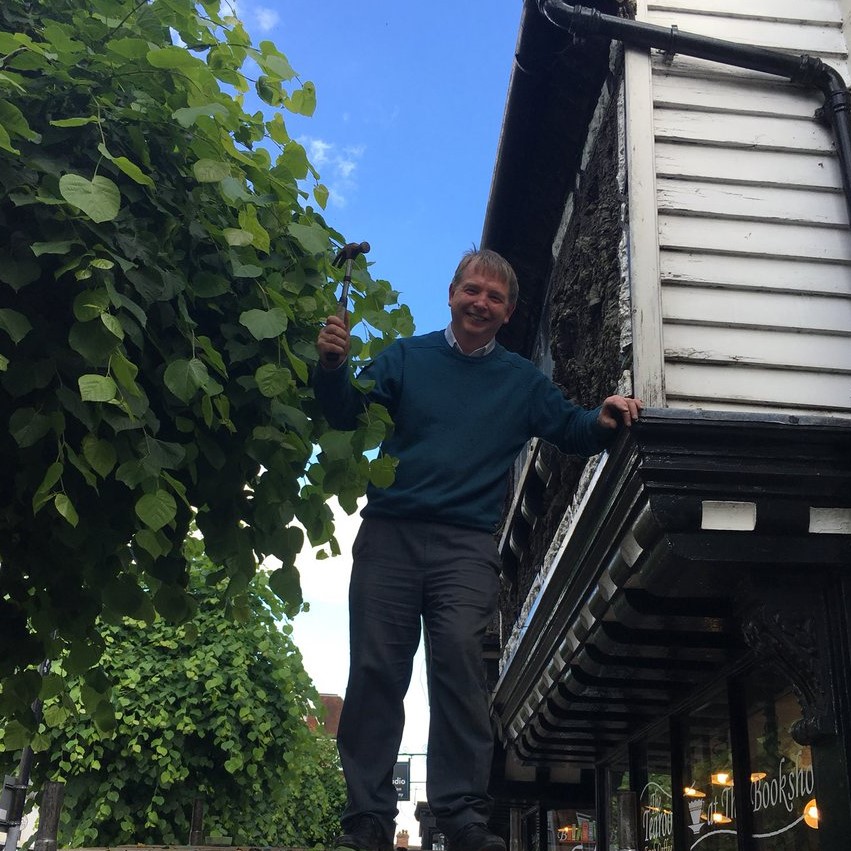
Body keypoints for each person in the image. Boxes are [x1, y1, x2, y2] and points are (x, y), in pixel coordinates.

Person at [314, 249, 642, 851]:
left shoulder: (520, 381)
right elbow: (345, 412)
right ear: (451, 294)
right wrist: (333, 366)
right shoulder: (406, 358)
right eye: (472, 290)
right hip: (390, 535)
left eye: (494, 297)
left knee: (462, 668)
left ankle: (462, 816)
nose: (480, 303)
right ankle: (367, 820)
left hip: (465, 545)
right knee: (376, 671)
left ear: (508, 312)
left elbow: (570, 427)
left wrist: (602, 419)